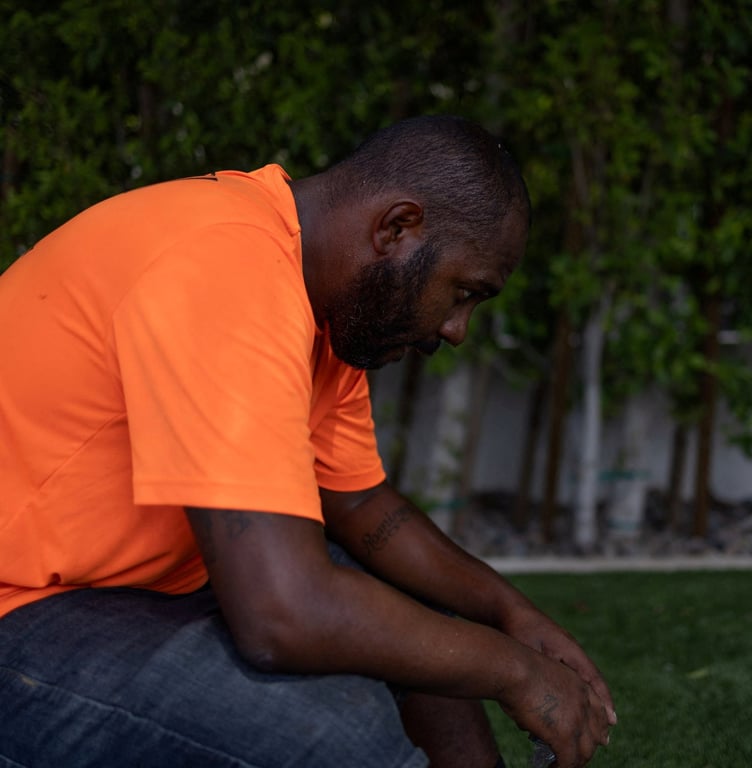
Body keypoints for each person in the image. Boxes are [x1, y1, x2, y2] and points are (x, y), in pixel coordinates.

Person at [0, 115, 615, 768]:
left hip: (133, 588)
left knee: (413, 619)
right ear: (397, 228)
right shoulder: (224, 265)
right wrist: (512, 670)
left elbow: (360, 507)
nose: (458, 329)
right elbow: (282, 614)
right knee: (338, 738)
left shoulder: (323, 298)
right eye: (463, 292)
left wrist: (508, 614)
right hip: (21, 607)